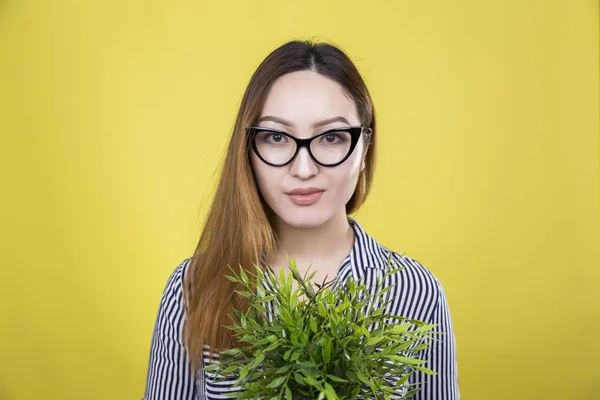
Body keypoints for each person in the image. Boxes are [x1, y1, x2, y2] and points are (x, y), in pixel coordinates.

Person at [142, 39, 459, 400]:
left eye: (331, 137)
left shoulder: (416, 292)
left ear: (365, 145)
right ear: (248, 148)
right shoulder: (194, 288)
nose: (304, 169)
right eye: (276, 137)